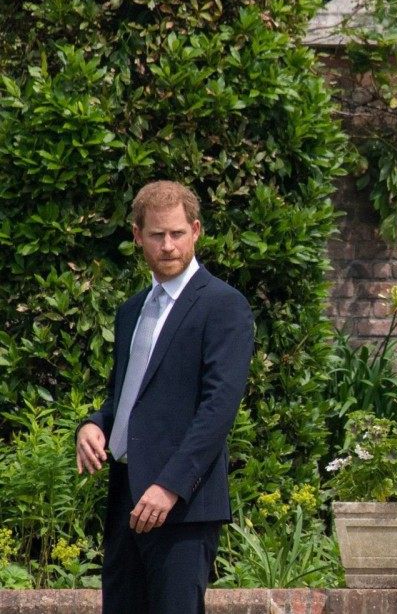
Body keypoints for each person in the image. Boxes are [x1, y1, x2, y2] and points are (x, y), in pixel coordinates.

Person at [76, 181, 254, 612]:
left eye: (178, 233)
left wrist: (170, 486)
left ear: (196, 231)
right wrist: (94, 424)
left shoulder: (223, 305)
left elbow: (217, 410)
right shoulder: (131, 311)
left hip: (183, 506)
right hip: (125, 496)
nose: (168, 246)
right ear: (138, 236)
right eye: (157, 235)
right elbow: (127, 397)